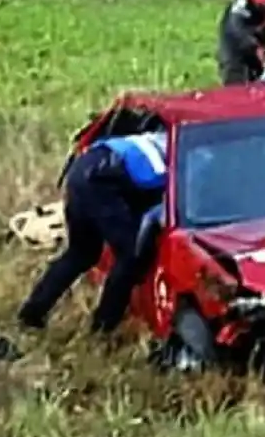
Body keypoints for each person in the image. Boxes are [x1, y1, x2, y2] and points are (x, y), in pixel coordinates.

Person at [17, 130, 167, 334]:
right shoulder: (182, 159)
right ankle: (104, 328)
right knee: (131, 255)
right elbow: (157, 212)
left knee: (81, 252)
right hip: (103, 179)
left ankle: (31, 314)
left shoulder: (162, 136)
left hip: (83, 168)